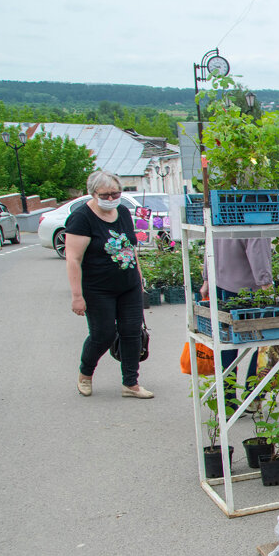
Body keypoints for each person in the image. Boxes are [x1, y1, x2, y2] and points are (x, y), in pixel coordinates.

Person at [66, 170, 153, 399]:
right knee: (103, 334)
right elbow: (73, 259)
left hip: (128, 285)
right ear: (92, 193)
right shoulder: (82, 218)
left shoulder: (123, 212)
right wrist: (77, 296)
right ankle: (85, 373)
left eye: (116, 193)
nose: (112, 199)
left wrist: (139, 278)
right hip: (98, 288)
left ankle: (131, 383)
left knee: (132, 332)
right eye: (106, 195)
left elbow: (130, 248)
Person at [199, 237, 273, 406]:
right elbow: (257, 246)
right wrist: (266, 284)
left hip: (219, 283)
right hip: (246, 287)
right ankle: (253, 395)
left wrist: (206, 279)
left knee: (226, 344)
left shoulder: (220, 210)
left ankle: (227, 400)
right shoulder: (254, 211)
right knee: (269, 339)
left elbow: (209, 241)